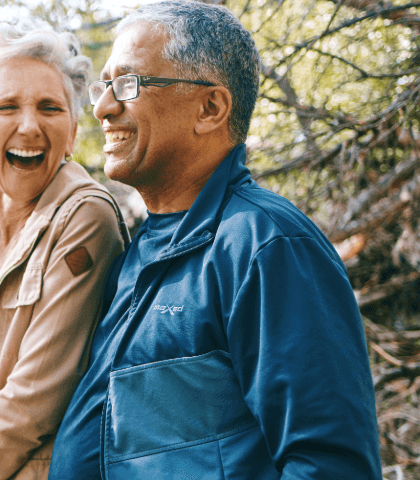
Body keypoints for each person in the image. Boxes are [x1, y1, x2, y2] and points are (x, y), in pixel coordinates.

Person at [49, 1, 382, 478]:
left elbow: (329, 464)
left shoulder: (267, 246)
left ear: (209, 109)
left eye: (129, 84)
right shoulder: (138, 248)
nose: (103, 107)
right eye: (105, 86)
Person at [0, 21, 126, 480]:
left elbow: (33, 402)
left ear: (73, 132)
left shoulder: (86, 218)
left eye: (50, 107)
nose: (30, 126)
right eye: (6, 107)